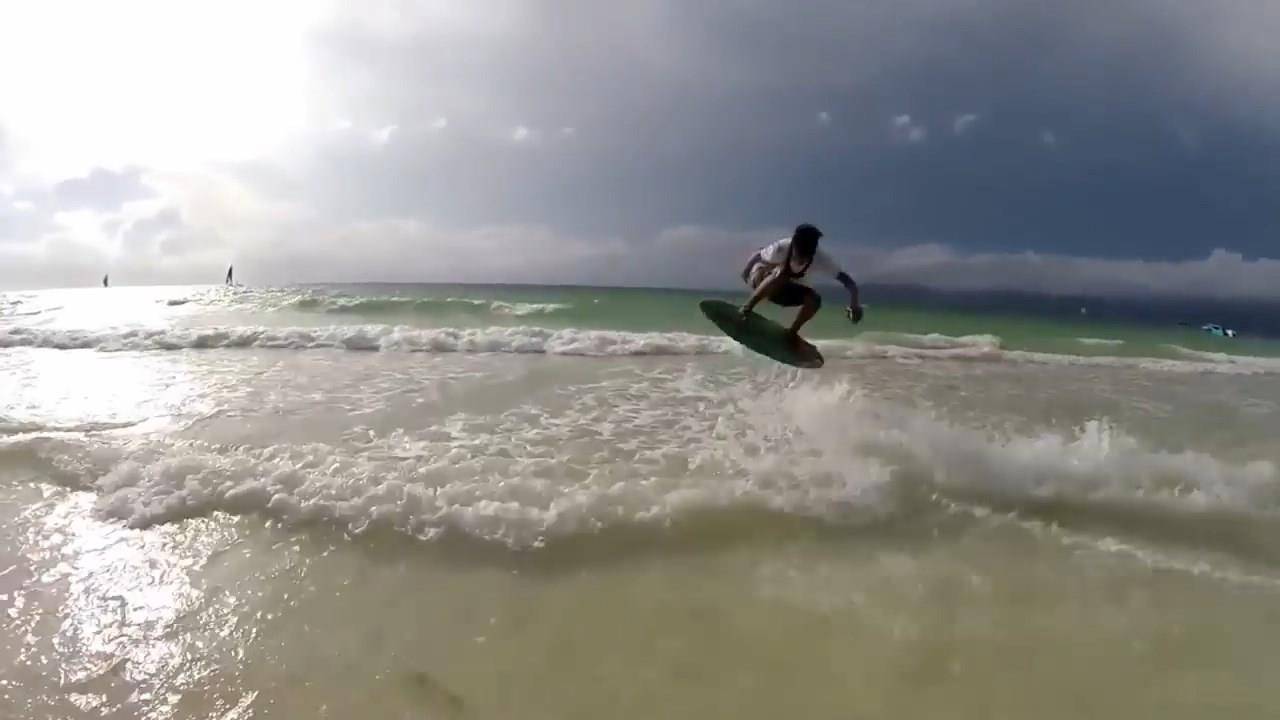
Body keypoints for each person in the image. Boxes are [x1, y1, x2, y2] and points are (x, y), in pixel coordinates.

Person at [740, 223, 862, 341]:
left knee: (815, 300)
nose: (801, 260)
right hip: (759, 280)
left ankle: (791, 334)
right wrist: (746, 273)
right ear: (793, 244)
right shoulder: (781, 247)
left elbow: (848, 281)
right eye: (799, 255)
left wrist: (854, 304)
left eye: (806, 257)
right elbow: (758, 256)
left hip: (783, 292)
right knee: (781, 274)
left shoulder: (821, 259)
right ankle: (745, 310)